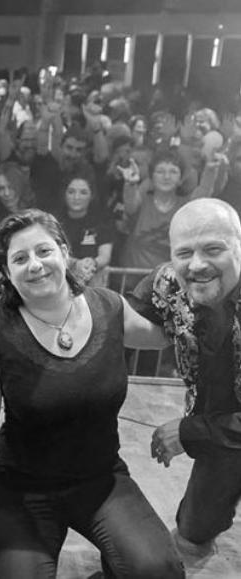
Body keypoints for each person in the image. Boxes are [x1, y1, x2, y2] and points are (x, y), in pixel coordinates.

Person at [0, 209, 183, 578]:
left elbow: (167, 335)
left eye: (43, 251)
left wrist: (190, 284)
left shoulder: (109, 307)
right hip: (25, 489)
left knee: (159, 571)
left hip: (101, 479)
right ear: (8, 271)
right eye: (20, 259)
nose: (35, 265)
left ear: (63, 252)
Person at [130, 198, 241, 567]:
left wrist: (188, 432)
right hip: (220, 433)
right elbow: (116, 317)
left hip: (215, 428)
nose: (196, 264)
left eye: (213, 249)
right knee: (193, 532)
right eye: (184, 252)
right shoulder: (167, 281)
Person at [56, 174, 114, 287]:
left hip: (93, 284)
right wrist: (75, 264)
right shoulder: (54, 222)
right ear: (64, 194)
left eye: (83, 192)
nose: (76, 197)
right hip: (61, 283)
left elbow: (105, 256)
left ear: (92, 195)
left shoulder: (102, 221)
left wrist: (93, 263)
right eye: (71, 192)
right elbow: (52, 252)